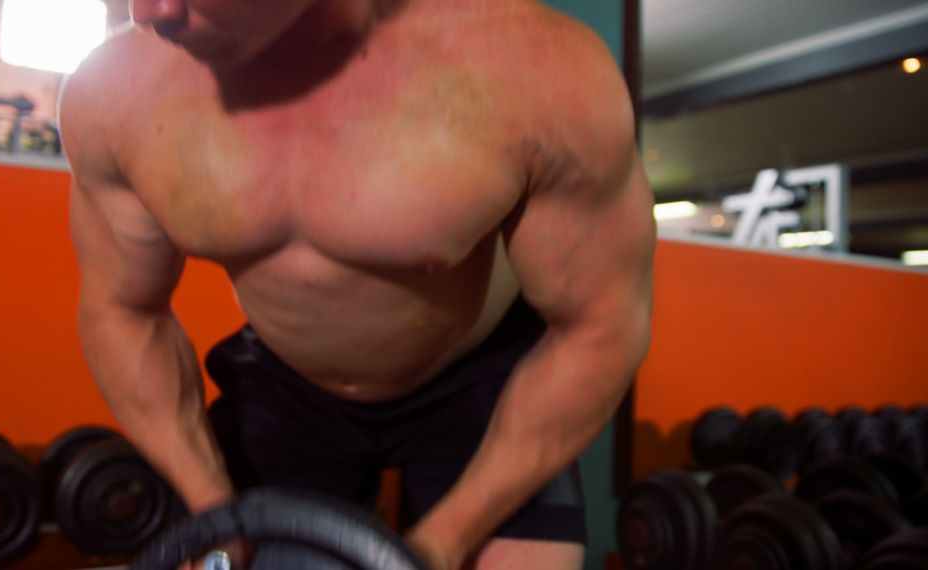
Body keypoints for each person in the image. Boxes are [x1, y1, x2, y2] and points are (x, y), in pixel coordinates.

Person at [59, 0, 655, 568]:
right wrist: (214, 510)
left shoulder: (537, 71)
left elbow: (598, 329)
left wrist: (445, 542)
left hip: (481, 383)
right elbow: (123, 312)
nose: (150, 12)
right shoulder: (116, 93)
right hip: (285, 384)